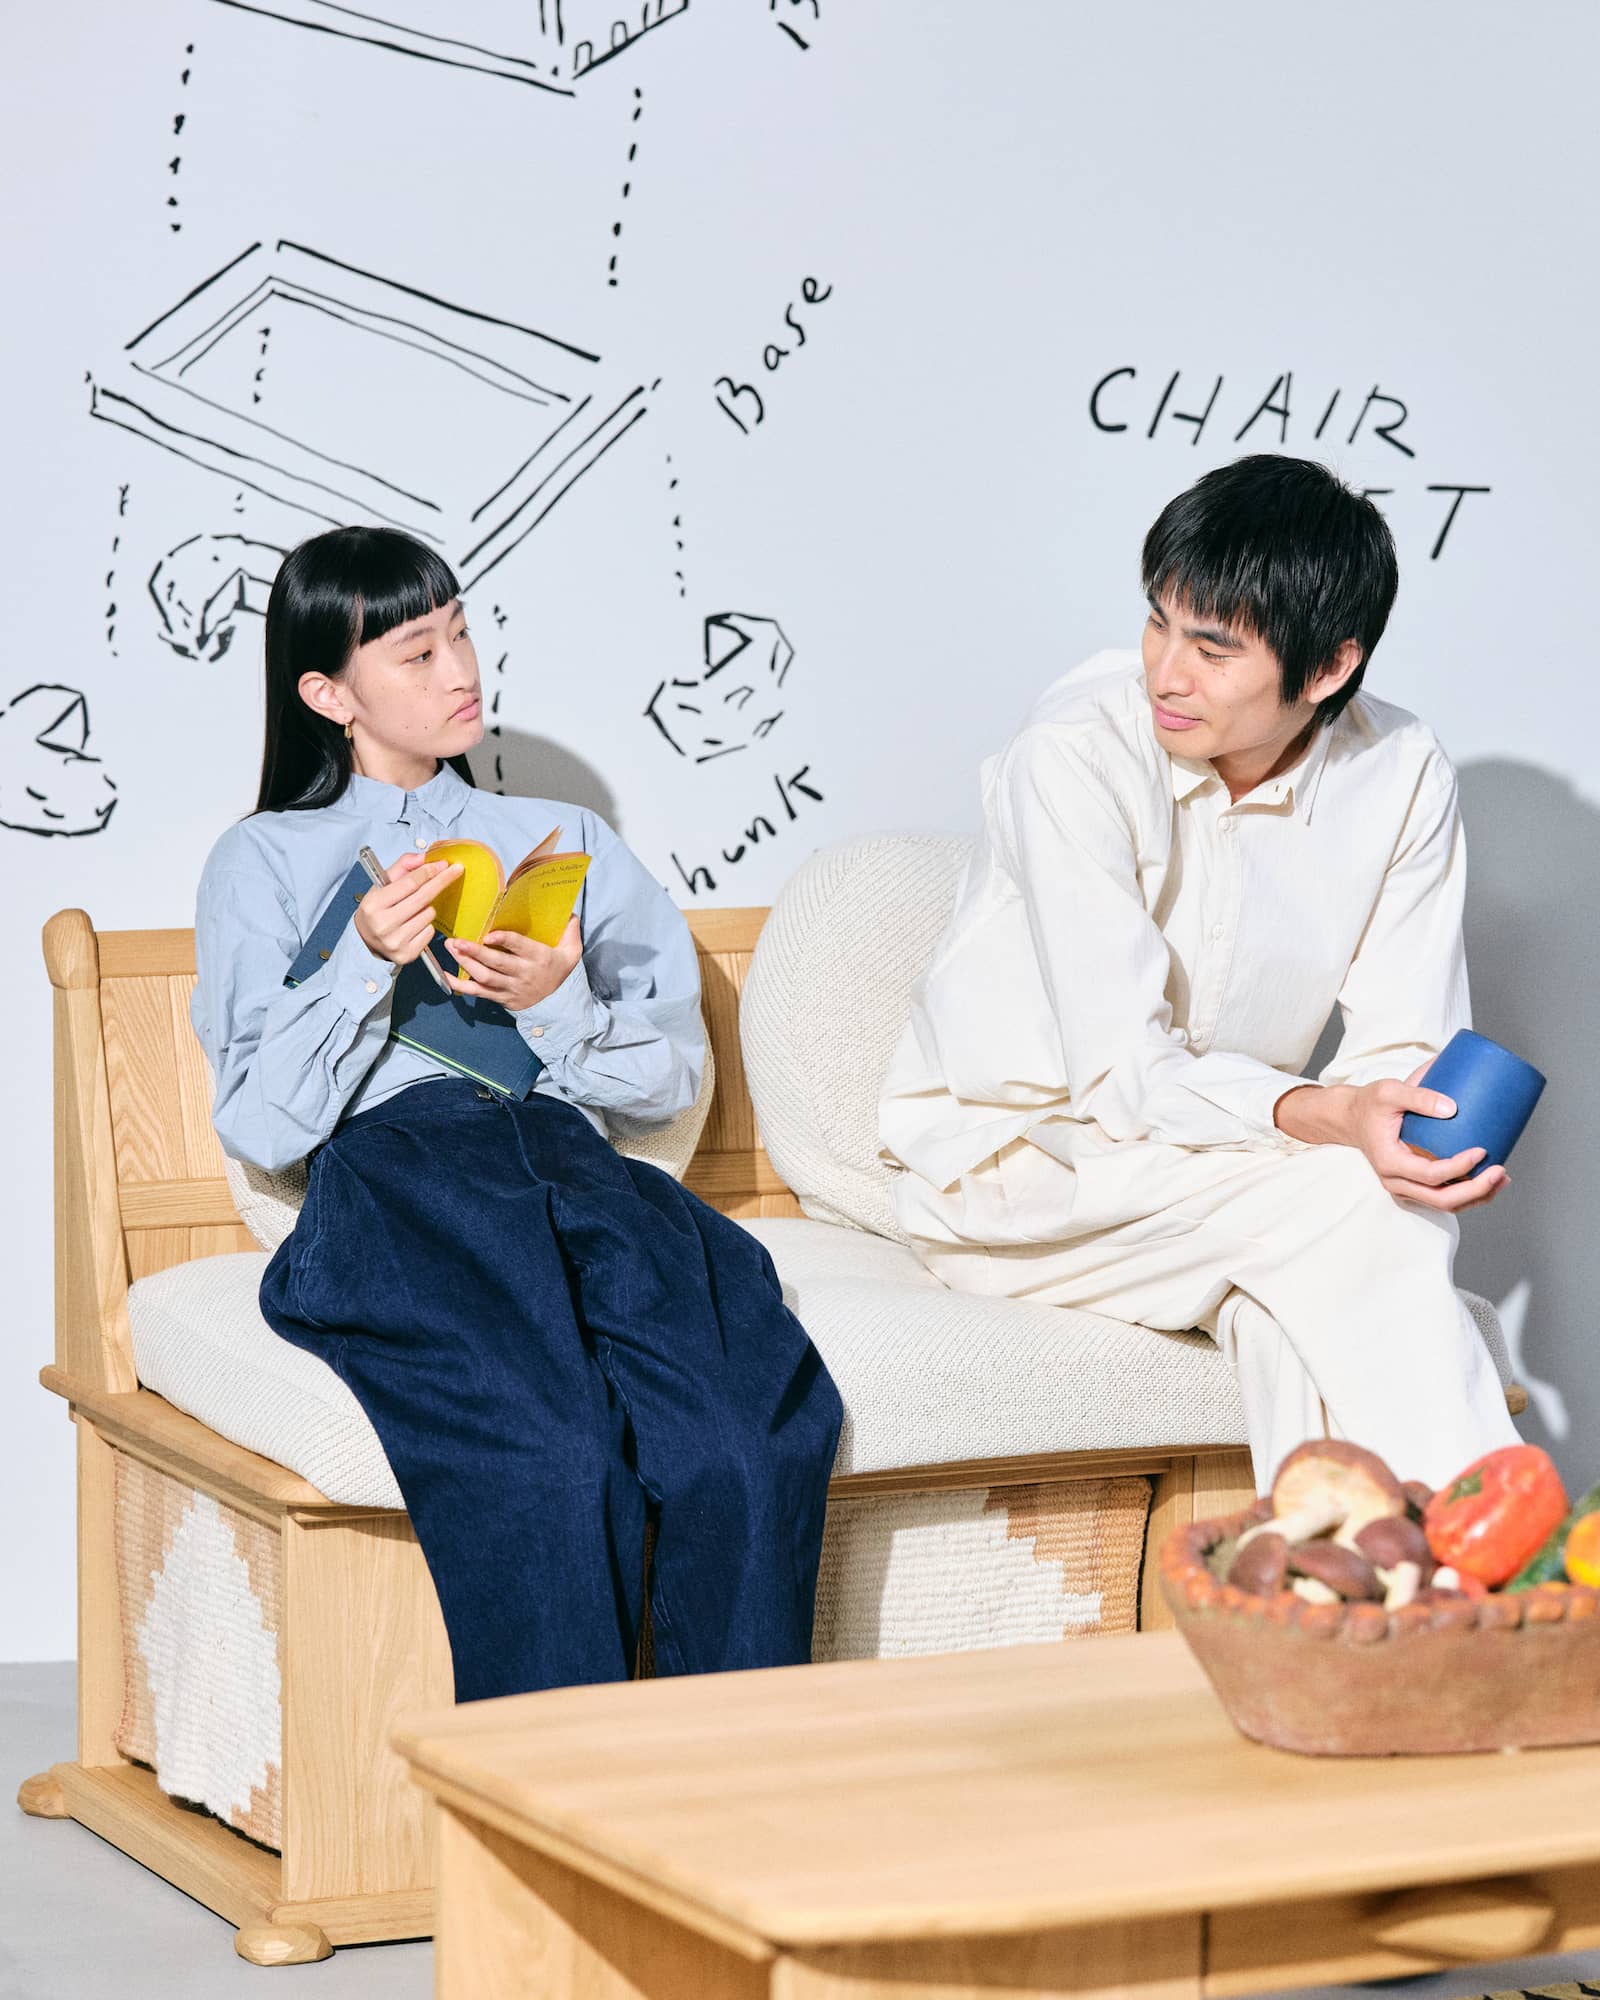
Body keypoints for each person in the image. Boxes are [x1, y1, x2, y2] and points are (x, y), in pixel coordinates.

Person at [192, 524, 842, 1702]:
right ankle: (548, 1794)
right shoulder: (266, 859)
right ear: (328, 694)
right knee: (550, 1452)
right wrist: (361, 958)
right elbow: (263, 1123)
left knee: (745, 1430)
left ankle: (738, 1776)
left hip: (571, 1159)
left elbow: (671, 1078)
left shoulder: (566, 839)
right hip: (400, 1175)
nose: (460, 672)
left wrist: (556, 1007)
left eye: (460, 635)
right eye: (416, 654)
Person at [879, 454, 1521, 1492]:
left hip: (1221, 1170)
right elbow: (1123, 1075)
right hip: (1020, 1170)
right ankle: (1515, 1562)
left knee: (1300, 1301)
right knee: (1359, 1209)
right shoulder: (1076, 752)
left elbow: (1406, 1040)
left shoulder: (1400, 771)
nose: (1166, 673)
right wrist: (1329, 1116)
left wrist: (1392, 1128)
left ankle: (1339, 1583)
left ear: (1327, 669)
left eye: (1213, 648)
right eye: (1158, 622)